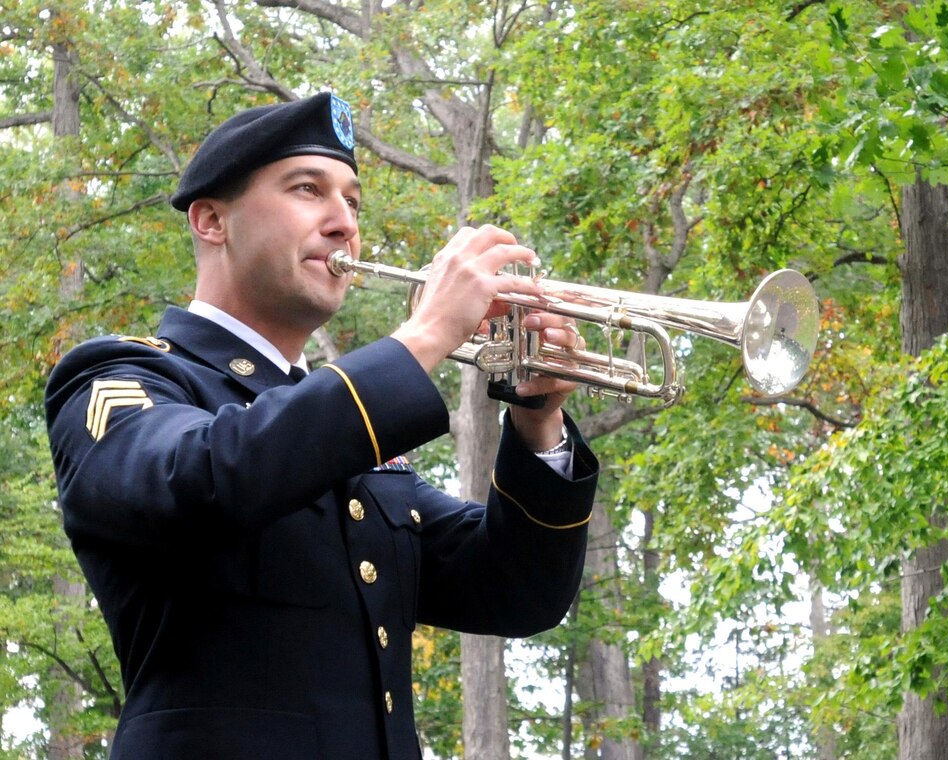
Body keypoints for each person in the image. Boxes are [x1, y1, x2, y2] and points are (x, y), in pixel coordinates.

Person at [44, 92, 599, 759]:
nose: (344, 224)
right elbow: (206, 478)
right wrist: (423, 337)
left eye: (354, 202)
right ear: (212, 221)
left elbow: (515, 594)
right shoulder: (119, 380)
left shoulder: (346, 432)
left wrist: (538, 421)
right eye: (308, 190)